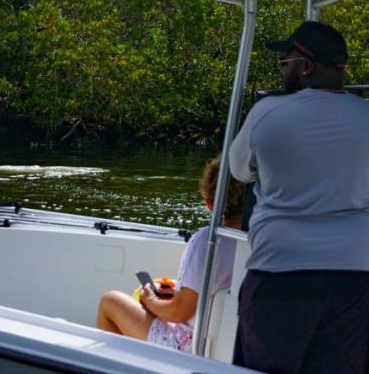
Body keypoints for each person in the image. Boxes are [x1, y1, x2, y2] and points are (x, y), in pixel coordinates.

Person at [229, 20, 369, 373]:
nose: (283, 71)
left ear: (305, 67)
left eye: (285, 63)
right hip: (355, 276)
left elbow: (239, 170)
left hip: (280, 272)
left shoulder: (267, 113)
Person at [96, 157, 245, 352]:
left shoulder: (207, 241)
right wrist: (180, 294)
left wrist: (151, 300)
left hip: (189, 344)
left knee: (110, 302)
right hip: (230, 345)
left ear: (209, 203)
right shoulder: (256, 241)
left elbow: (179, 313)